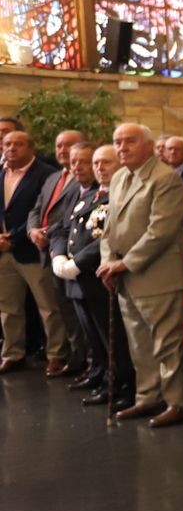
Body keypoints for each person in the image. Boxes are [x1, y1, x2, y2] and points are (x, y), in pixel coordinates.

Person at [100, 123, 183, 428]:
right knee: (139, 344)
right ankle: (148, 397)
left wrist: (125, 263)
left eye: (129, 141)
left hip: (157, 276)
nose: (122, 148)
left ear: (149, 146)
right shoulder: (119, 178)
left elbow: (161, 231)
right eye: (117, 142)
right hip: (125, 276)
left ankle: (178, 401)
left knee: (165, 343)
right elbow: (109, 227)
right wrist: (108, 261)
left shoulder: (165, 179)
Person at [52, 143, 133, 409]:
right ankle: (101, 375)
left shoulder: (119, 197)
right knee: (93, 337)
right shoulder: (88, 196)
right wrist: (59, 257)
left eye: (105, 162)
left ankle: (121, 385)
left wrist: (77, 263)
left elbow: (110, 238)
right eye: (96, 163)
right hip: (77, 281)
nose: (99, 168)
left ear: (120, 165)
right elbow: (62, 230)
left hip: (97, 277)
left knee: (113, 339)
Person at [0, 130, 69, 375]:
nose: (11, 148)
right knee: (8, 308)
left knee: (48, 307)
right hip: (4, 253)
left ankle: (56, 354)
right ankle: (12, 353)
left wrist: (14, 237)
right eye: (7, 144)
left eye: (18, 144)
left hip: (32, 250)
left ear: (31, 148)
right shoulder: (2, 172)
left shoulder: (45, 174)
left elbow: (41, 212)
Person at [27, 128, 90, 378]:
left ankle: (86, 360)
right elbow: (37, 208)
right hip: (49, 250)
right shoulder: (53, 177)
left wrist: (47, 232)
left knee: (78, 312)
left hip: (70, 251)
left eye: (69, 146)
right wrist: (33, 230)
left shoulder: (86, 178)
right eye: (59, 146)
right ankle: (76, 358)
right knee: (62, 309)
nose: (63, 151)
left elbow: (71, 217)